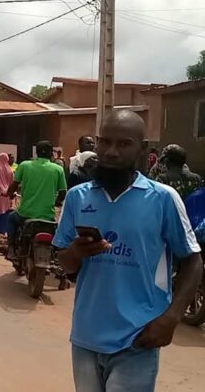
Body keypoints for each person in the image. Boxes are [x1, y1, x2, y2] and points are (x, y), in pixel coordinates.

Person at [54, 110, 203, 392]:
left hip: (138, 338)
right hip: (86, 337)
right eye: (105, 142)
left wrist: (172, 318)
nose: (111, 151)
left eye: (124, 144)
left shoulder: (162, 199)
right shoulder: (78, 197)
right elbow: (65, 263)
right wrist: (76, 252)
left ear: (142, 149)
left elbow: (193, 260)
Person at [6, 140, 67, 257]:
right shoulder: (58, 169)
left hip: (25, 215)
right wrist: (55, 202)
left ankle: (11, 247)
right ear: (51, 153)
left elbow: (14, 185)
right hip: (48, 217)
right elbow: (63, 193)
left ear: (36, 153)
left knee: (11, 218)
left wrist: (8, 194)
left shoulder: (25, 165)